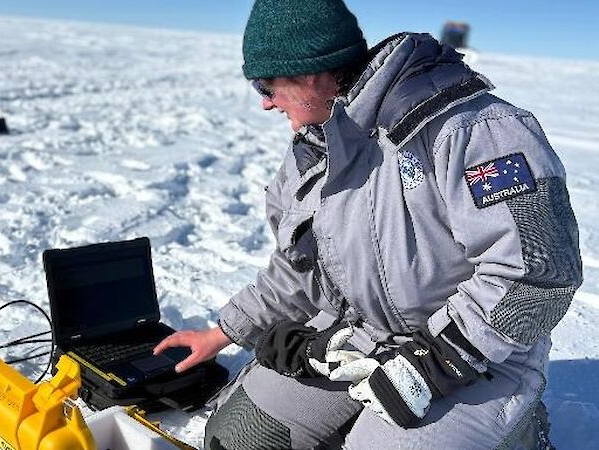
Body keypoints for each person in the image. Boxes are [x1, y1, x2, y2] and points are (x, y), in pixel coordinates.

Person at [153, 0, 582, 448]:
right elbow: (296, 266)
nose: (264, 102)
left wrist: (430, 363)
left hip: (482, 358)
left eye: (267, 84)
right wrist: (221, 333)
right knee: (239, 437)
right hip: (367, 341)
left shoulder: (471, 130)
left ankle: (518, 431)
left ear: (312, 73)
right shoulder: (314, 148)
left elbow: (538, 272)